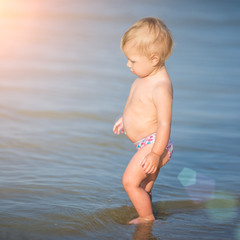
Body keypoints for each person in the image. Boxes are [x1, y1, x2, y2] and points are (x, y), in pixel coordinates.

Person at [113, 17, 174, 224]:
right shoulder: (145, 77)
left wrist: (156, 154)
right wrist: (125, 119)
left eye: (133, 60)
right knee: (144, 187)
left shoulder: (161, 87)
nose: (128, 64)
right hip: (145, 144)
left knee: (129, 182)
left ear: (154, 59)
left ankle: (146, 219)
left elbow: (165, 123)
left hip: (155, 144)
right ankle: (148, 214)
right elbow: (138, 105)